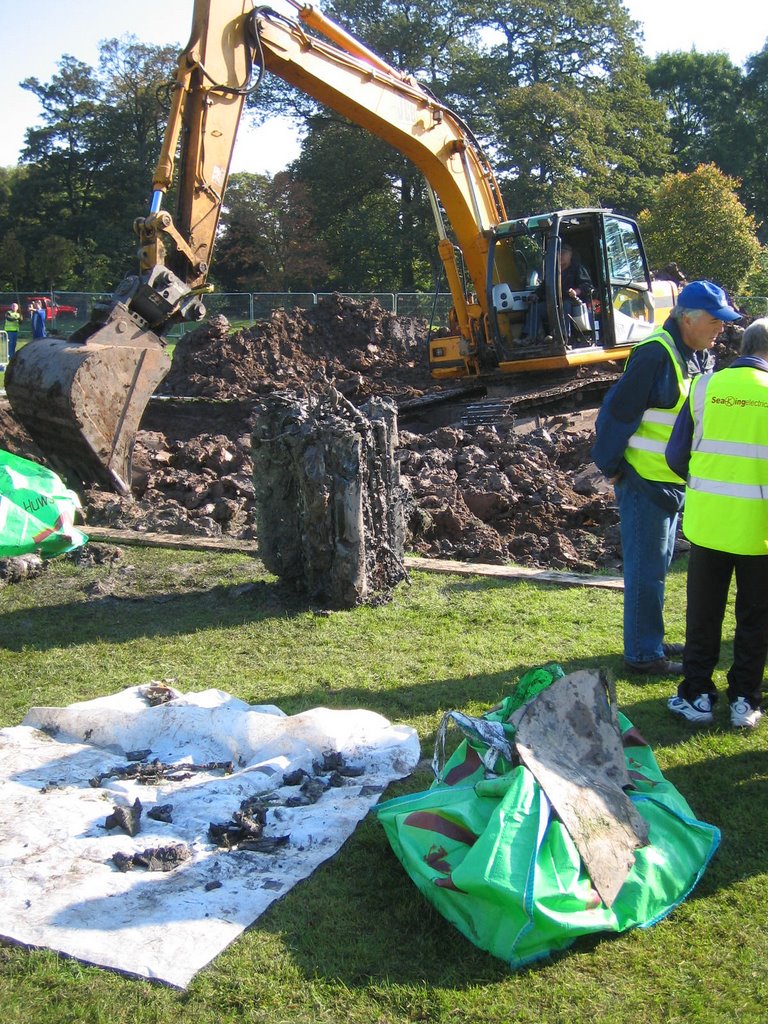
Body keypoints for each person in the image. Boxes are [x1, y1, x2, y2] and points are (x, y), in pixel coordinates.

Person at [591, 280, 741, 676]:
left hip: (669, 483)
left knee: (658, 565)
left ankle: (649, 639)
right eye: (715, 320)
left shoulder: (694, 354)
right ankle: (642, 654)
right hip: (644, 481)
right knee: (647, 569)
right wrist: (614, 468)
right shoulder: (655, 354)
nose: (721, 328)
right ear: (687, 318)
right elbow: (616, 413)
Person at [665, 317, 768, 728]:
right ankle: (745, 699)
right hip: (758, 529)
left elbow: (676, 455)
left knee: (703, 614)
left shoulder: (705, 387)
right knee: (755, 616)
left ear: (742, 345)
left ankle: (697, 695)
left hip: (708, 525)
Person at [523, 243, 593, 343]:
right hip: (553, 304)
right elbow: (543, 287)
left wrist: (576, 292)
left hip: (572, 303)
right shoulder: (553, 272)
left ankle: (562, 337)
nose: (561, 255)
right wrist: (536, 294)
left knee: (566, 304)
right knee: (537, 307)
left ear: (571, 255)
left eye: (564, 253)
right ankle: (531, 337)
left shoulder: (577, 269)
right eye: (559, 252)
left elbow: (587, 286)